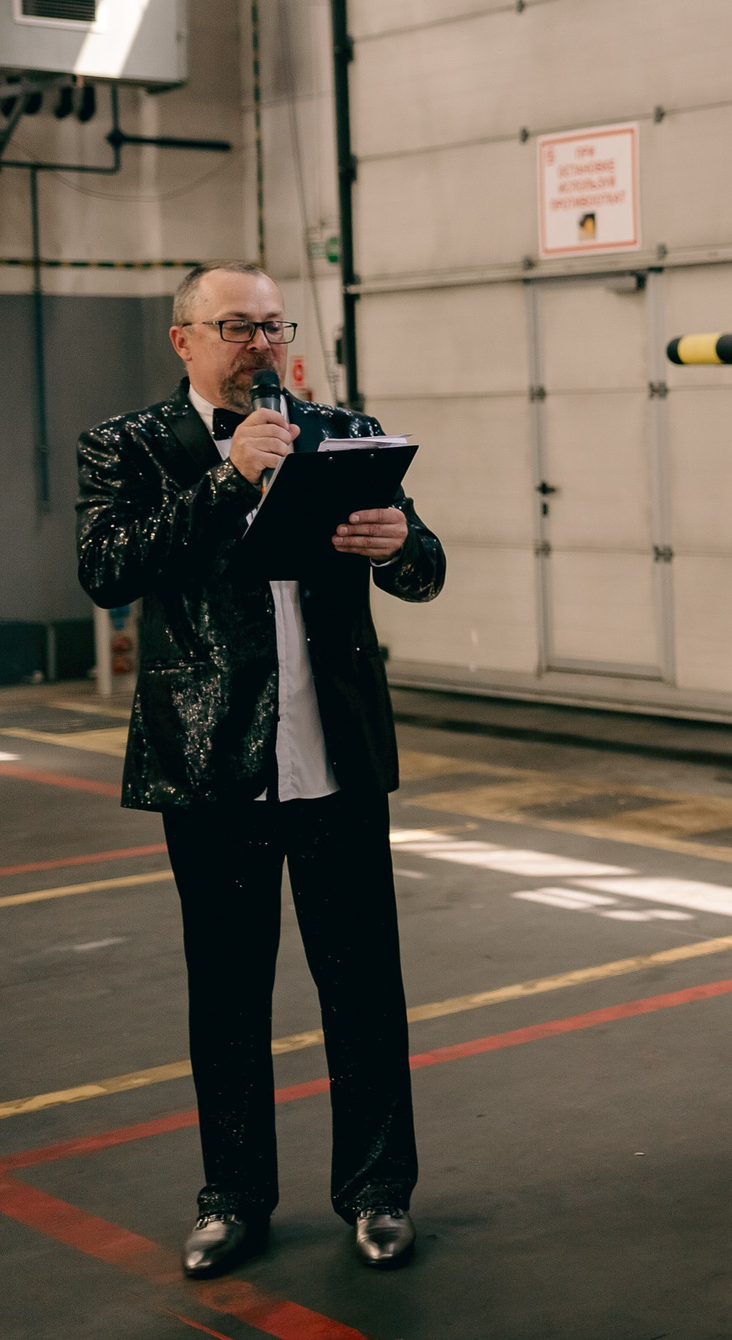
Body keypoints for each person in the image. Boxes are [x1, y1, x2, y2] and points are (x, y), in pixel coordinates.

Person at [74, 261, 444, 1278]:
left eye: (272, 324)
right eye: (235, 324)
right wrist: (229, 475)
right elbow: (109, 565)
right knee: (228, 991)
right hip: (210, 762)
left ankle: (378, 1191)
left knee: (364, 985)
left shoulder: (342, 429)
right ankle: (232, 1197)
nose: (259, 342)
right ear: (183, 339)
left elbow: (424, 566)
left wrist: (399, 540)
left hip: (337, 753)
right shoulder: (131, 445)